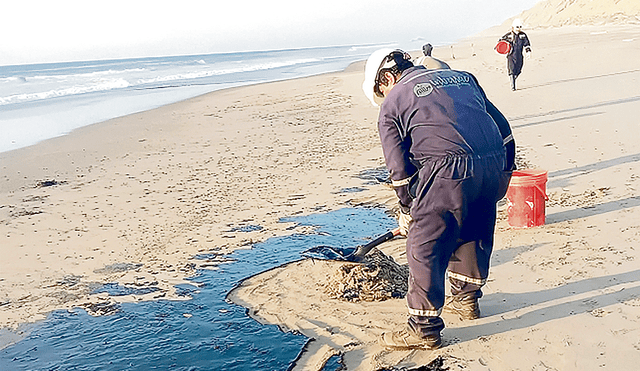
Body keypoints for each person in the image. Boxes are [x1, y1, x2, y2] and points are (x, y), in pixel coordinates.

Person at [362, 49, 515, 349]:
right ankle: (467, 299)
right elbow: (504, 130)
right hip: (492, 162)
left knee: (424, 244)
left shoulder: (393, 103)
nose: (384, 98)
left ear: (387, 78)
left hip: (447, 168)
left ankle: (423, 327)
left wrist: (409, 209)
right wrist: (504, 171)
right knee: (473, 227)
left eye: (381, 92)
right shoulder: (463, 78)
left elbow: (399, 171)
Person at [500, 18, 532, 91]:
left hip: (519, 55)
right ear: (513, 27)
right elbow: (501, 42)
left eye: (520, 27)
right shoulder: (508, 36)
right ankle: (513, 85)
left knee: (518, 70)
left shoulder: (523, 35)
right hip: (511, 55)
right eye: (517, 27)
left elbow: (526, 44)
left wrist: (528, 51)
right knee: (511, 70)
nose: (519, 29)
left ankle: (514, 78)